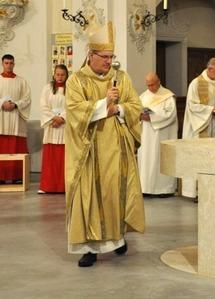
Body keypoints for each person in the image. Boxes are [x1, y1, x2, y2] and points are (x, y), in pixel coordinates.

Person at [65, 21, 144, 267]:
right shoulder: (76, 81)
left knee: (115, 193)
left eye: (112, 57)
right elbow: (75, 111)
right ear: (91, 55)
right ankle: (89, 249)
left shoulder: (121, 78)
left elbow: (135, 106)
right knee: (90, 195)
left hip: (117, 149)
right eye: (105, 57)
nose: (109, 62)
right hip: (89, 150)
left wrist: (119, 107)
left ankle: (118, 238)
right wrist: (103, 104)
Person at [181, 58, 215, 199]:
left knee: (214, 157)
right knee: (198, 158)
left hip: (214, 126)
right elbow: (192, 106)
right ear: (209, 69)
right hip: (198, 126)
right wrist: (211, 111)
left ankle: (213, 189)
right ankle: (195, 192)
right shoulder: (196, 83)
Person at [0, 54, 31, 183]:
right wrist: (1, 104)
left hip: (16, 118)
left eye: (11, 63)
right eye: (6, 63)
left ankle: (17, 176)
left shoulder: (21, 81)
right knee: (0, 148)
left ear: (14, 64)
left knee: (17, 147)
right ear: (2, 64)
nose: (9, 65)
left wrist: (16, 104)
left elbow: (27, 99)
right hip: (0, 120)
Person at [137, 72, 178, 196]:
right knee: (147, 159)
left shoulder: (167, 96)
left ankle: (164, 189)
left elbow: (170, 115)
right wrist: (140, 116)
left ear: (158, 82)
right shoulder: (143, 96)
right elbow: (137, 111)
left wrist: (152, 118)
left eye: (152, 85)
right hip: (146, 135)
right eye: (148, 85)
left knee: (160, 158)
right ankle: (146, 188)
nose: (150, 88)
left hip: (162, 134)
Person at [38, 64, 68, 194]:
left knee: (64, 157)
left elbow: (73, 106)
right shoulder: (47, 88)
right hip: (51, 126)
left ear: (66, 75)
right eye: (58, 74)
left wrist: (62, 118)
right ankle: (48, 186)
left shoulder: (71, 89)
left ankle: (64, 186)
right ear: (54, 75)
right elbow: (43, 106)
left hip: (65, 126)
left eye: (62, 75)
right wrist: (53, 119)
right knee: (51, 157)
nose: (60, 77)